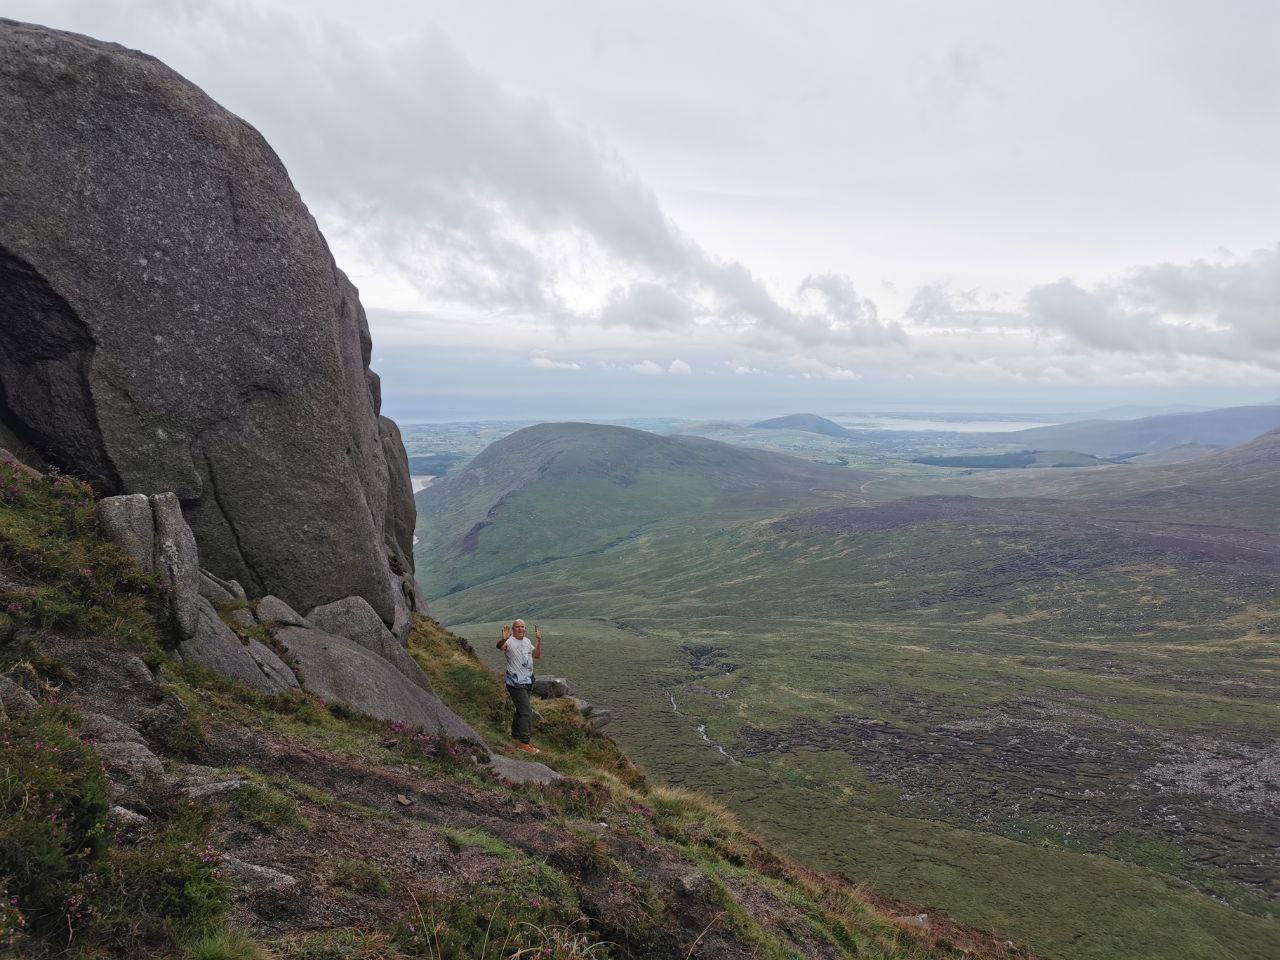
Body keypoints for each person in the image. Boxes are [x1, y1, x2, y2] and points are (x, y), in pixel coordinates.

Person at [497, 619, 541, 754]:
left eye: (523, 627)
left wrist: (539, 641)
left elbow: (537, 656)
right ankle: (524, 743)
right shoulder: (509, 641)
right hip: (515, 682)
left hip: (528, 680)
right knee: (526, 712)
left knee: (520, 710)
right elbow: (500, 647)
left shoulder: (527, 641)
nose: (520, 629)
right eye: (518, 627)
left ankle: (515, 735)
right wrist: (503, 639)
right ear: (513, 628)